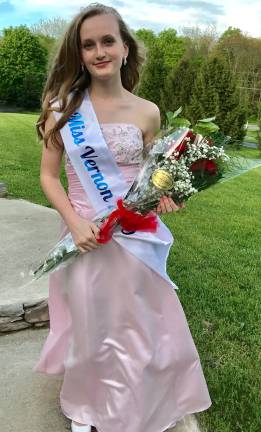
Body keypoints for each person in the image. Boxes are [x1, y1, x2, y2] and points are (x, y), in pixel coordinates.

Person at [33, 3, 212, 432]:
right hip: (85, 234)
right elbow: (47, 176)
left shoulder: (147, 112)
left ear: (125, 48)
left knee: (137, 323)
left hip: (134, 236)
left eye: (107, 41)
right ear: (78, 54)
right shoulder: (62, 107)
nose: (99, 51)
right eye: (88, 44)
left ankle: (139, 404)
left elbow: (156, 178)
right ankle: (87, 406)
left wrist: (168, 195)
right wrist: (75, 224)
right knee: (90, 321)